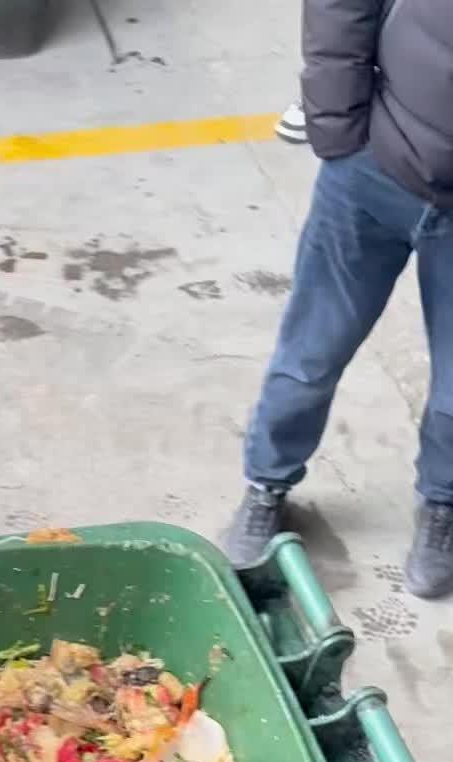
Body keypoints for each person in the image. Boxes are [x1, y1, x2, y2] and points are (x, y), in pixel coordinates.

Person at [224, 0, 453, 599]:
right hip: (377, 165)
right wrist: (337, 128)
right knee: (310, 355)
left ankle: (442, 505)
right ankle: (267, 485)